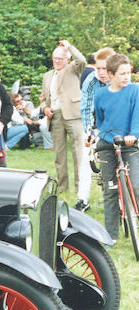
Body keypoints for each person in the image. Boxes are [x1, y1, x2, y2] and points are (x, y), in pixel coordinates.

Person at [94, 54, 139, 241]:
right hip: (107, 143)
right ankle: (110, 235)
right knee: (110, 190)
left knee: (136, 186)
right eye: (122, 74)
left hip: (129, 143)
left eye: (128, 73)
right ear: (111, 74)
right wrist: (103, 136)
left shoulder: (135, 91)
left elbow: (137, 116)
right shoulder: (100, 94)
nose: (126, 77)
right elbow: (100, 119)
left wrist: (134, 135)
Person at [40, 40, 86, 192]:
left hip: (73, 115)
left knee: (78, 154)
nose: (57, 61)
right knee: (60, 155)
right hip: (55, 116)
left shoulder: (74, 69)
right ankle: (62, 187)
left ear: (67, 59)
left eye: (60, 58)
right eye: (55, 58)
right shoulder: (47, 75)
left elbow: (82, 60)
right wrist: (45, 108)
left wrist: (69, 47)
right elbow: (42, 98)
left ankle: (80, 188)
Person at [75, 47, 116, 212]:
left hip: (119, 126)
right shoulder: (91, 80)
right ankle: (82, 200)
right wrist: (89, 131)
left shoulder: (121, 79)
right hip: (97, 126)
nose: (101, 72)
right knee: (85, 161)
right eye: (98, 68)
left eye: (105, 68)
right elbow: (85, 108)